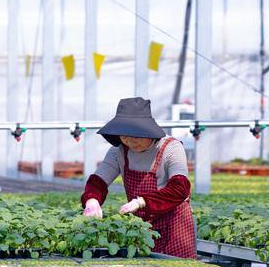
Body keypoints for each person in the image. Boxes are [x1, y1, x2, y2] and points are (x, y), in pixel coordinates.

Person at [80, 96, 197, 258]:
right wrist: (92, 200)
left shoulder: (171, 148)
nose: (131, 142)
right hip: (141, 229)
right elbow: (98, 181)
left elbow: (180, 188)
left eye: (136, 136)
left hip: (174, 226)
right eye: (124, 136)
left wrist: (140, 202)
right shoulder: (119, 151)